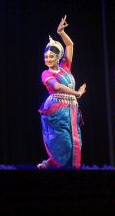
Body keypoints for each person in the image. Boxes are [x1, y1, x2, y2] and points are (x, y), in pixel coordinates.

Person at [37, 16, 87, 170]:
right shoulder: (46, 73)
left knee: (75, 142)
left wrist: (61, 32)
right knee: (63, 141)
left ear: (58, 57)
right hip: (57, 109)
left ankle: (68, 171)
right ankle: (51, 163)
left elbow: (70, 44)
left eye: (51, 56)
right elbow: (57, 86)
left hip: (71, 109)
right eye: (46, 57)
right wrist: (76, 93)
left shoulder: (66, 67)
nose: (48, 59)